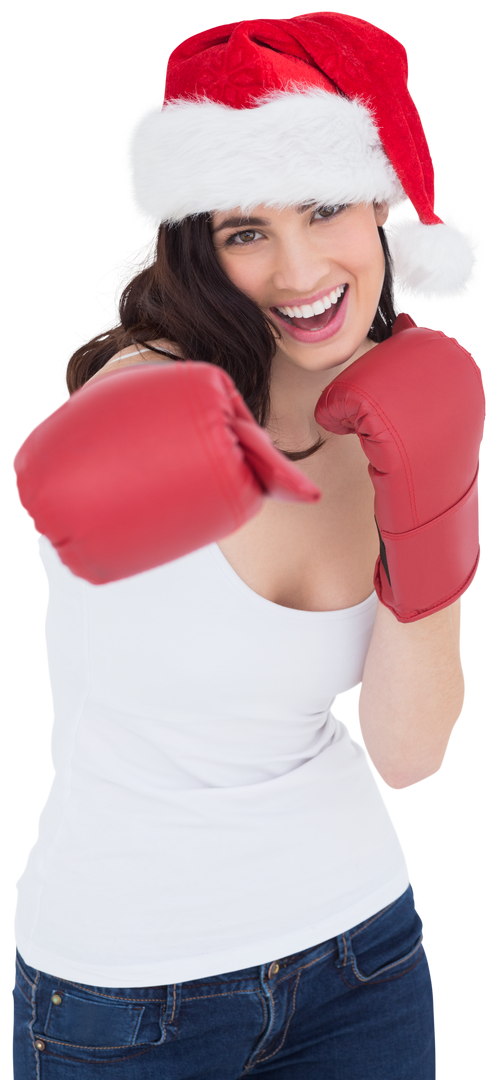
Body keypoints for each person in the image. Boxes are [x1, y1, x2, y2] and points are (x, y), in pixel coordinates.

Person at [9, 11, 489, 1079]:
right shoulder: (153, 383)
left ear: (381, 207)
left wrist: (432, 506)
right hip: (123, 991)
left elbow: (407, 756)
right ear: (200, 246)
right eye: (244, 231)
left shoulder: (407, 408)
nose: (296, 267)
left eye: (323, 209)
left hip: (361, 951)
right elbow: (75, 459)